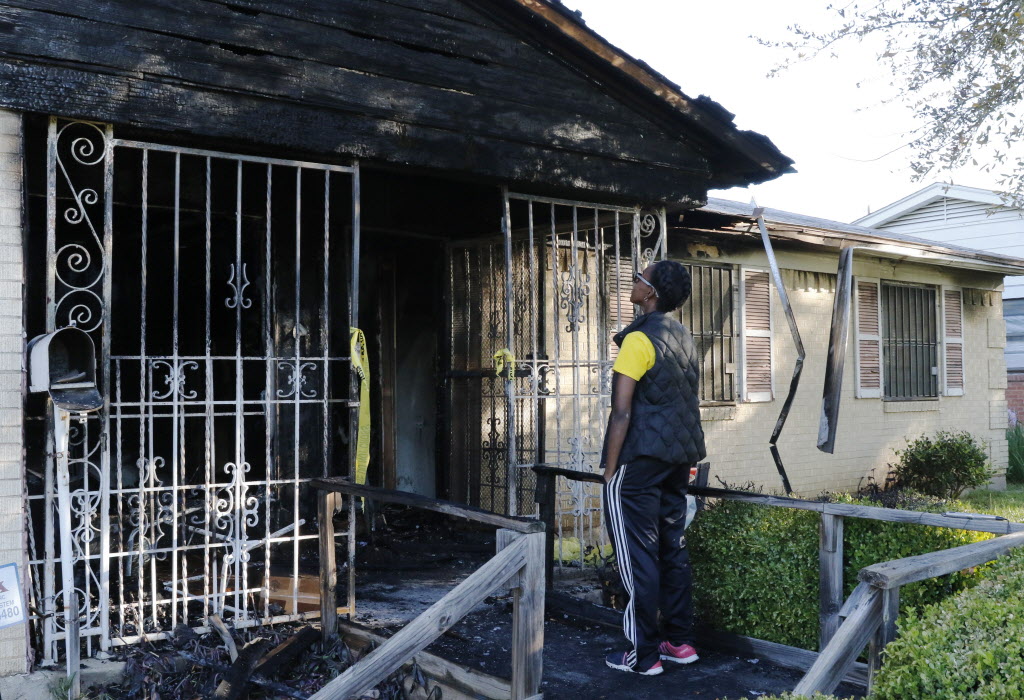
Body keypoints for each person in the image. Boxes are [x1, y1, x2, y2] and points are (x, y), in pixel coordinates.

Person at [601, 260, 706, 676]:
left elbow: (621, 414)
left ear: (652, 293)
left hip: (639, 463)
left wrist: (609, 472)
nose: (634, 281)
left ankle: (642, 656)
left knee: (636, 556)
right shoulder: (685, 338)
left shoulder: (639, 339)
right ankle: (679, 643)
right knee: (671, 549)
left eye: (640, 278)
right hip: (679, 460)